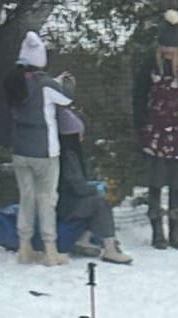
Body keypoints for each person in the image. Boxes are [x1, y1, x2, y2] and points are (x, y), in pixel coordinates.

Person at [133, 9, 178, 251]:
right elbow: (139, 98)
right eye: (164, 47)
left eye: (171, 47)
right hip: (155, 133)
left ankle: (175, 231)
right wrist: (141, 127)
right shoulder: (150, 67)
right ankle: (157, 231)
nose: (167, 52)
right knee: (155, 182)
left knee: (176, 184)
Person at [51, 74, 131, 265]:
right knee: (99, 202)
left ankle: (83, 239)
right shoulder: (69, 154)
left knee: (93, 198)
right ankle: (110, 248)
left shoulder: (60, 147)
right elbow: (78, 187)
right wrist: (97, 188)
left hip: (61, 201)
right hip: (65, 205)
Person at [2, 31, 67, 267]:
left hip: (20, 151)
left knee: (26, 198)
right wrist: (63, 83)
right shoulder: (45, 84)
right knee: (46, 199)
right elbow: (66, 98)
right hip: (44, 152)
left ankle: (24, 247)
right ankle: (50, 250)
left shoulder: (14, 82)